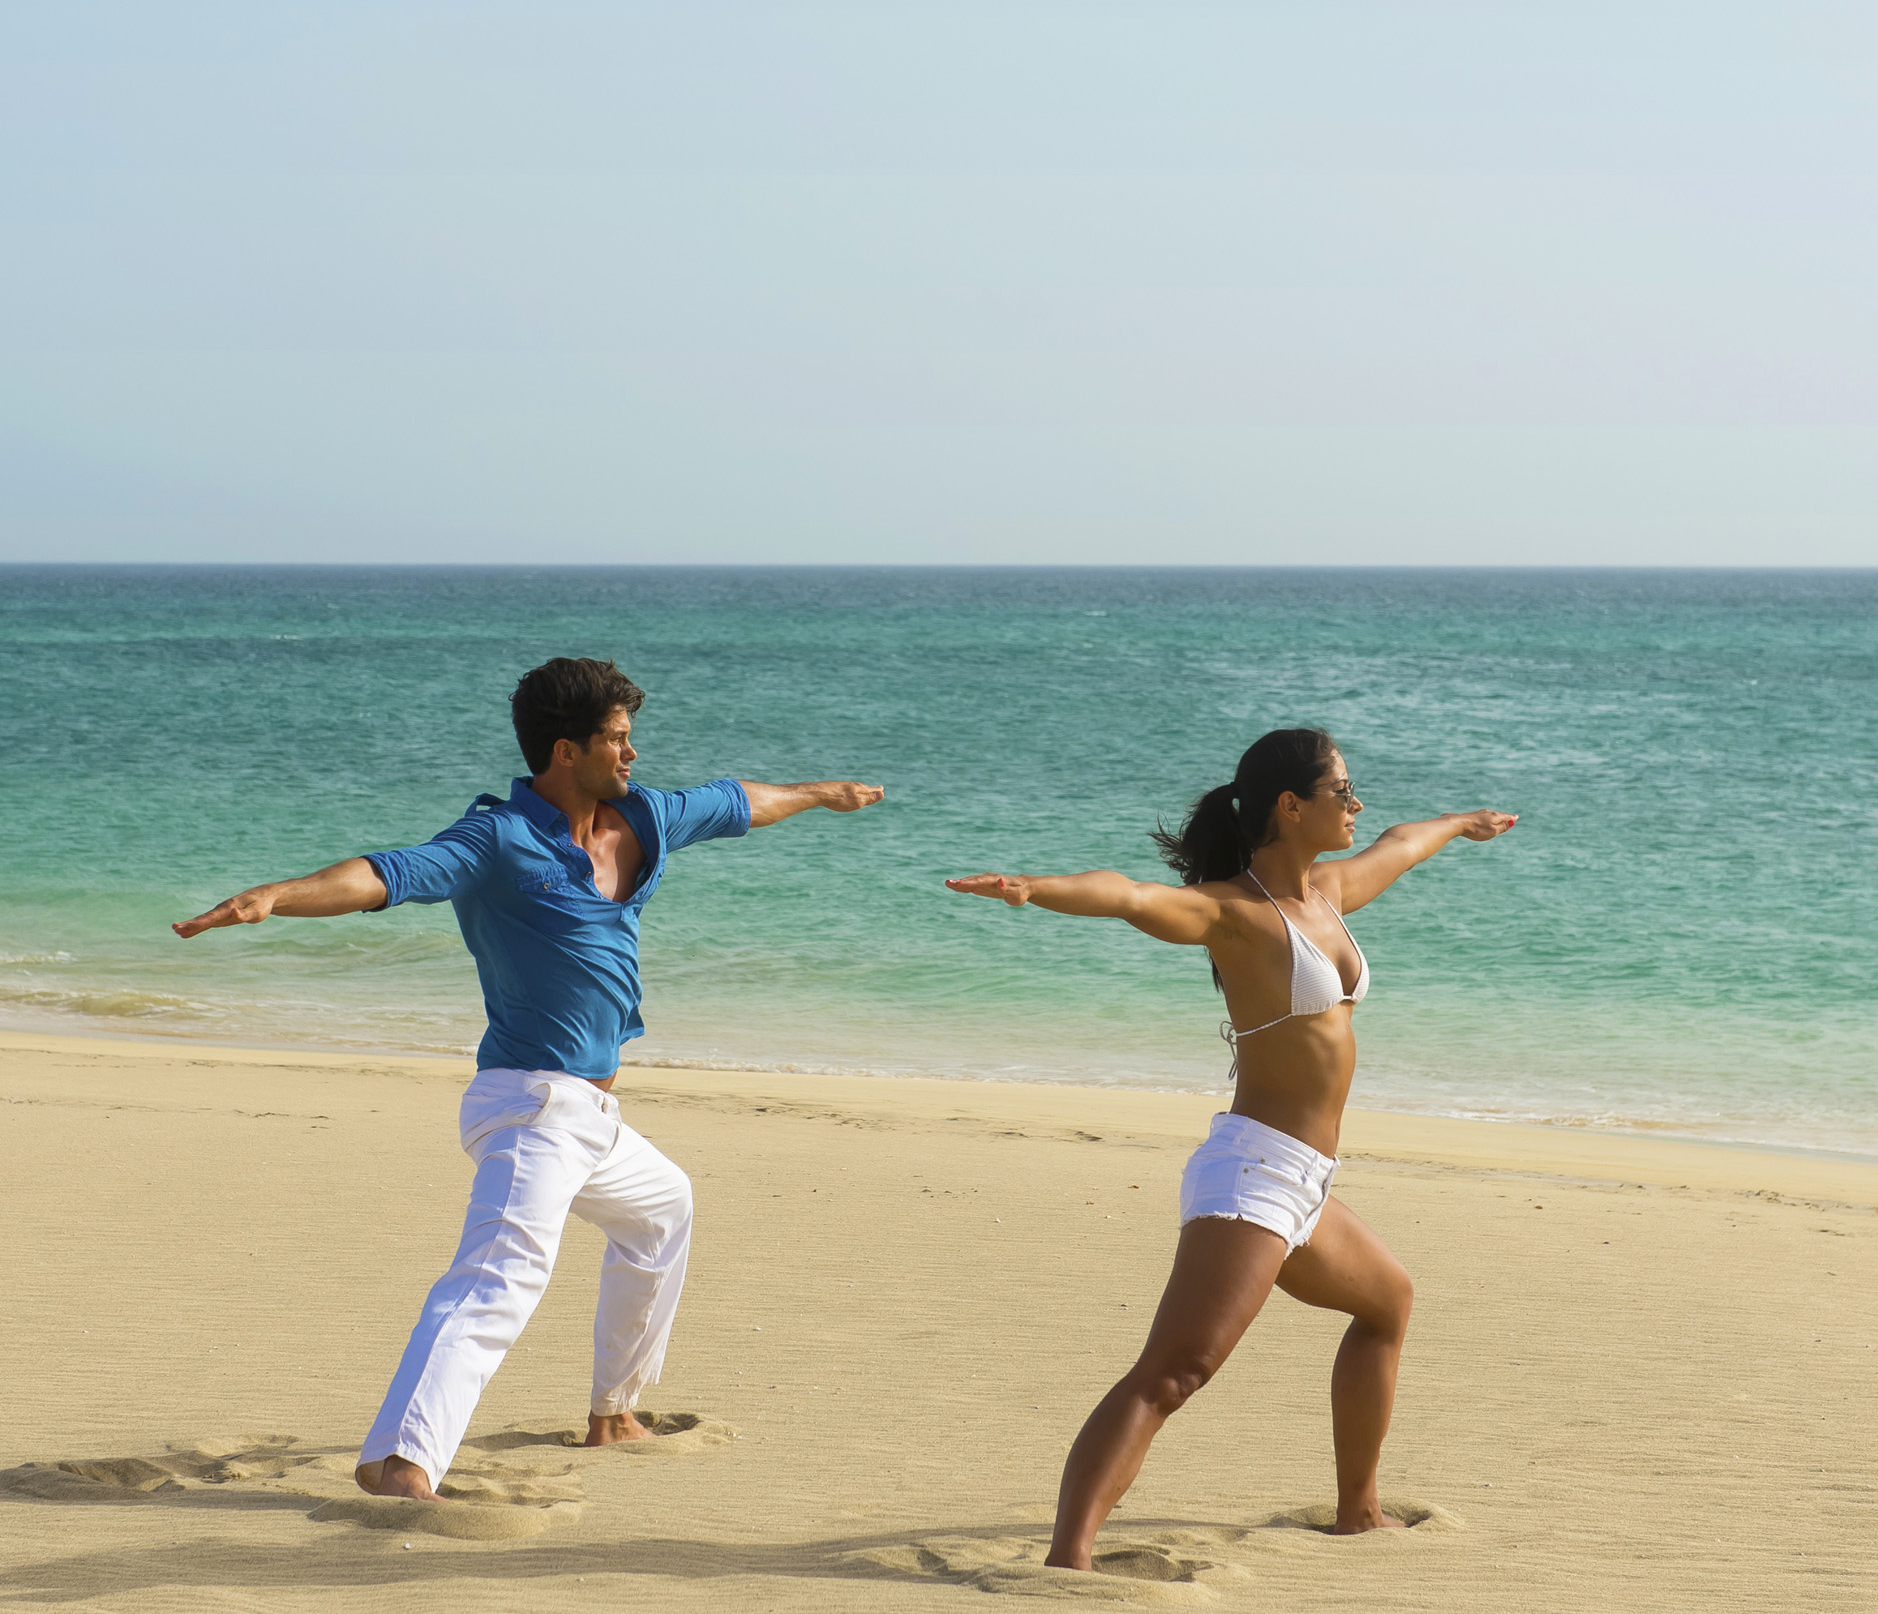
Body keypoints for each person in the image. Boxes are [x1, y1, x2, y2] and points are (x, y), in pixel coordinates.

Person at [175, 655, 882, 1502]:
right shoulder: (498, 840)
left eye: (629, 736)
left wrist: (821, 792)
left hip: (593, 1115)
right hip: (531, 1104)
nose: (631, 753)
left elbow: (737, 799)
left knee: (662, 1209)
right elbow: (388, 873)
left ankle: (615, 1412)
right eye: (615, 739)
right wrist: (278, 896)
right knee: (500, 1274)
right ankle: (401, 1461)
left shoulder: (643, 816)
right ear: (563, 752)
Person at [946, 729, 1515, 1567]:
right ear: (1292, 806)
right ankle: (1068, 1558)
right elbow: (1131, 896)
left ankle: (1357, 1509)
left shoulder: (1329, 894)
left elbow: (1404, 844)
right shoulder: (1234, 914)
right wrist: (1036, 889)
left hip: (1305, 1180)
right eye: (1344, 792)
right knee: (1176, 1371)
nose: (1358, 806)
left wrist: (1462, 821)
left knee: (1386, 1301)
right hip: (1253, 1171)